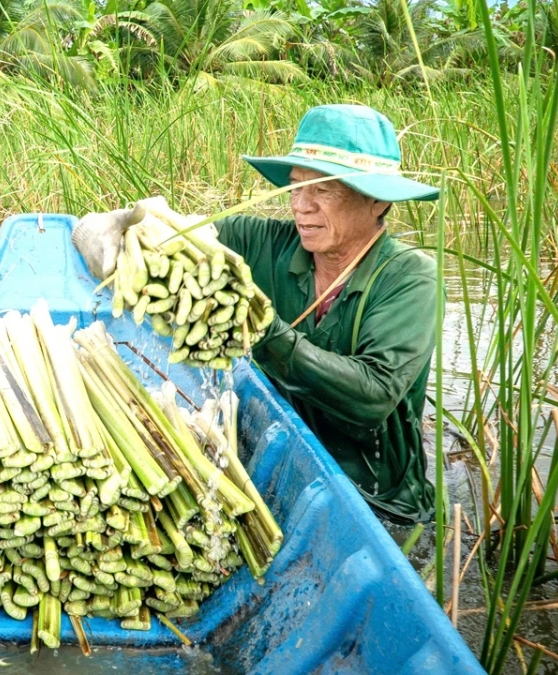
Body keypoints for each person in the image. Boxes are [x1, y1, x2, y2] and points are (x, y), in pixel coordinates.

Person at [73, 104, 439, 523]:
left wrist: (263, 330)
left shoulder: (410, 277)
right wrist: (107, 226)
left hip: (378, 503)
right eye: (296, 188)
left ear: (375, 200)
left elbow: (371, 395)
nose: (301, 206)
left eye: (322, 190)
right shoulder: (264, 241)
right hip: (287, 469)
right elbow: (170, 231)